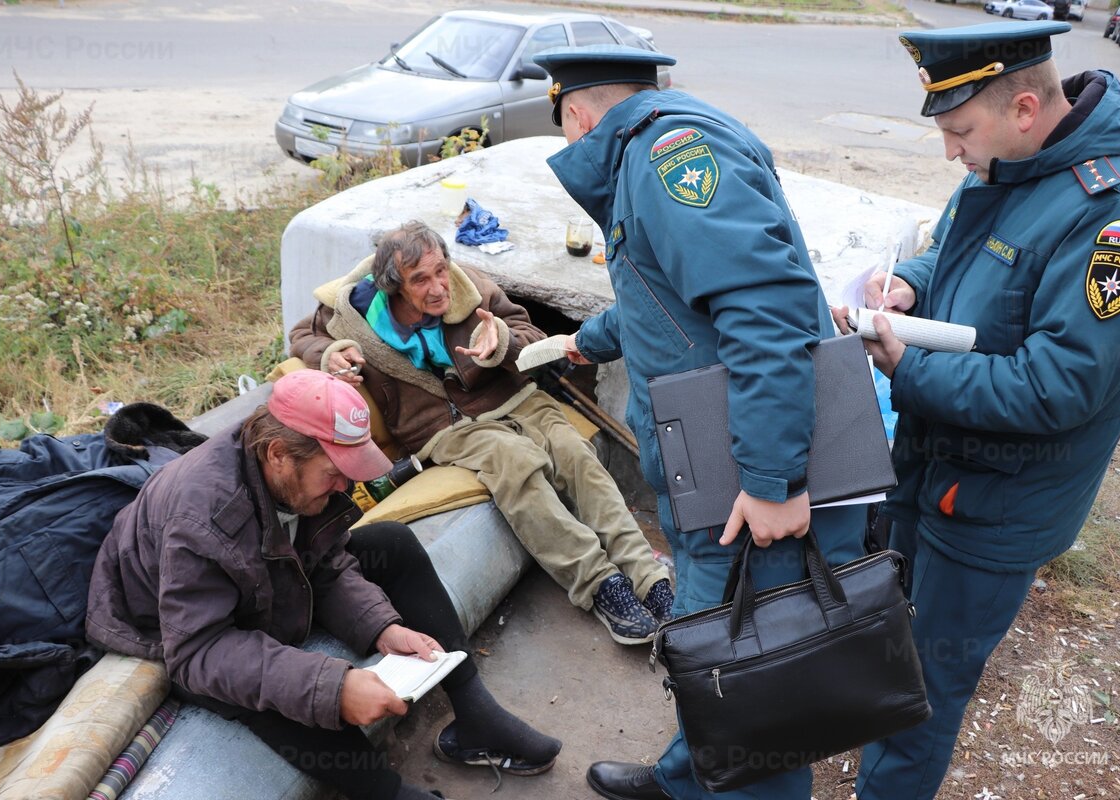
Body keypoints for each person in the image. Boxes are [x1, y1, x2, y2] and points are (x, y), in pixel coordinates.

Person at [833, 22, 1120, 800]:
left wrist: (909, 371)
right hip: (936, 468)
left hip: (998, 506)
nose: (950, 152)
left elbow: (1059, 386)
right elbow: (956, 246)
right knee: (897, 648)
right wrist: (910, 283)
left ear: (1024, 107)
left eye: (958, 131)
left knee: (927, 691)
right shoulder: (1013, 162)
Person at [532, 45, 868, 800]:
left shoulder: (670, 157)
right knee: (712, 651)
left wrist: (772, 479)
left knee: (757, 697)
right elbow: (669, 297)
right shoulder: (653, 148)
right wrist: (581, 342)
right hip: (712, 475)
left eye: (564, 133)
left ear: (578, 116)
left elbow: (766, 313)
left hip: (745, 483)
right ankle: (685, 779)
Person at [86, 369, 561, 800]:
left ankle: (475, 712)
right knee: (281, 682)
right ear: (278, 455)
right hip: (173, 625)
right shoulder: (205, 521)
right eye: (334, 473)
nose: (343, 486)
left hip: (262, 576)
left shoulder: (290, 472)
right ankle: (387, 794)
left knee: (391, 542)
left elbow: (322, 560)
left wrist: (380, 628)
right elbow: (197, 651)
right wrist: (334, 687)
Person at [288, 221, 674, 645]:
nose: (438, 287)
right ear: (394, 286)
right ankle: (600, 585)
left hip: (516, 398)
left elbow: (531, 336)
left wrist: (503, 342)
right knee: (516, 465)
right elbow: (302, 335)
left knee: (575, 454)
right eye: (420, 280)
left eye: (441, 270)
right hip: (443, 428)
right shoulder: (353, 315)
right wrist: (328, 352)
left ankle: (648, 577)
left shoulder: (471, 287)